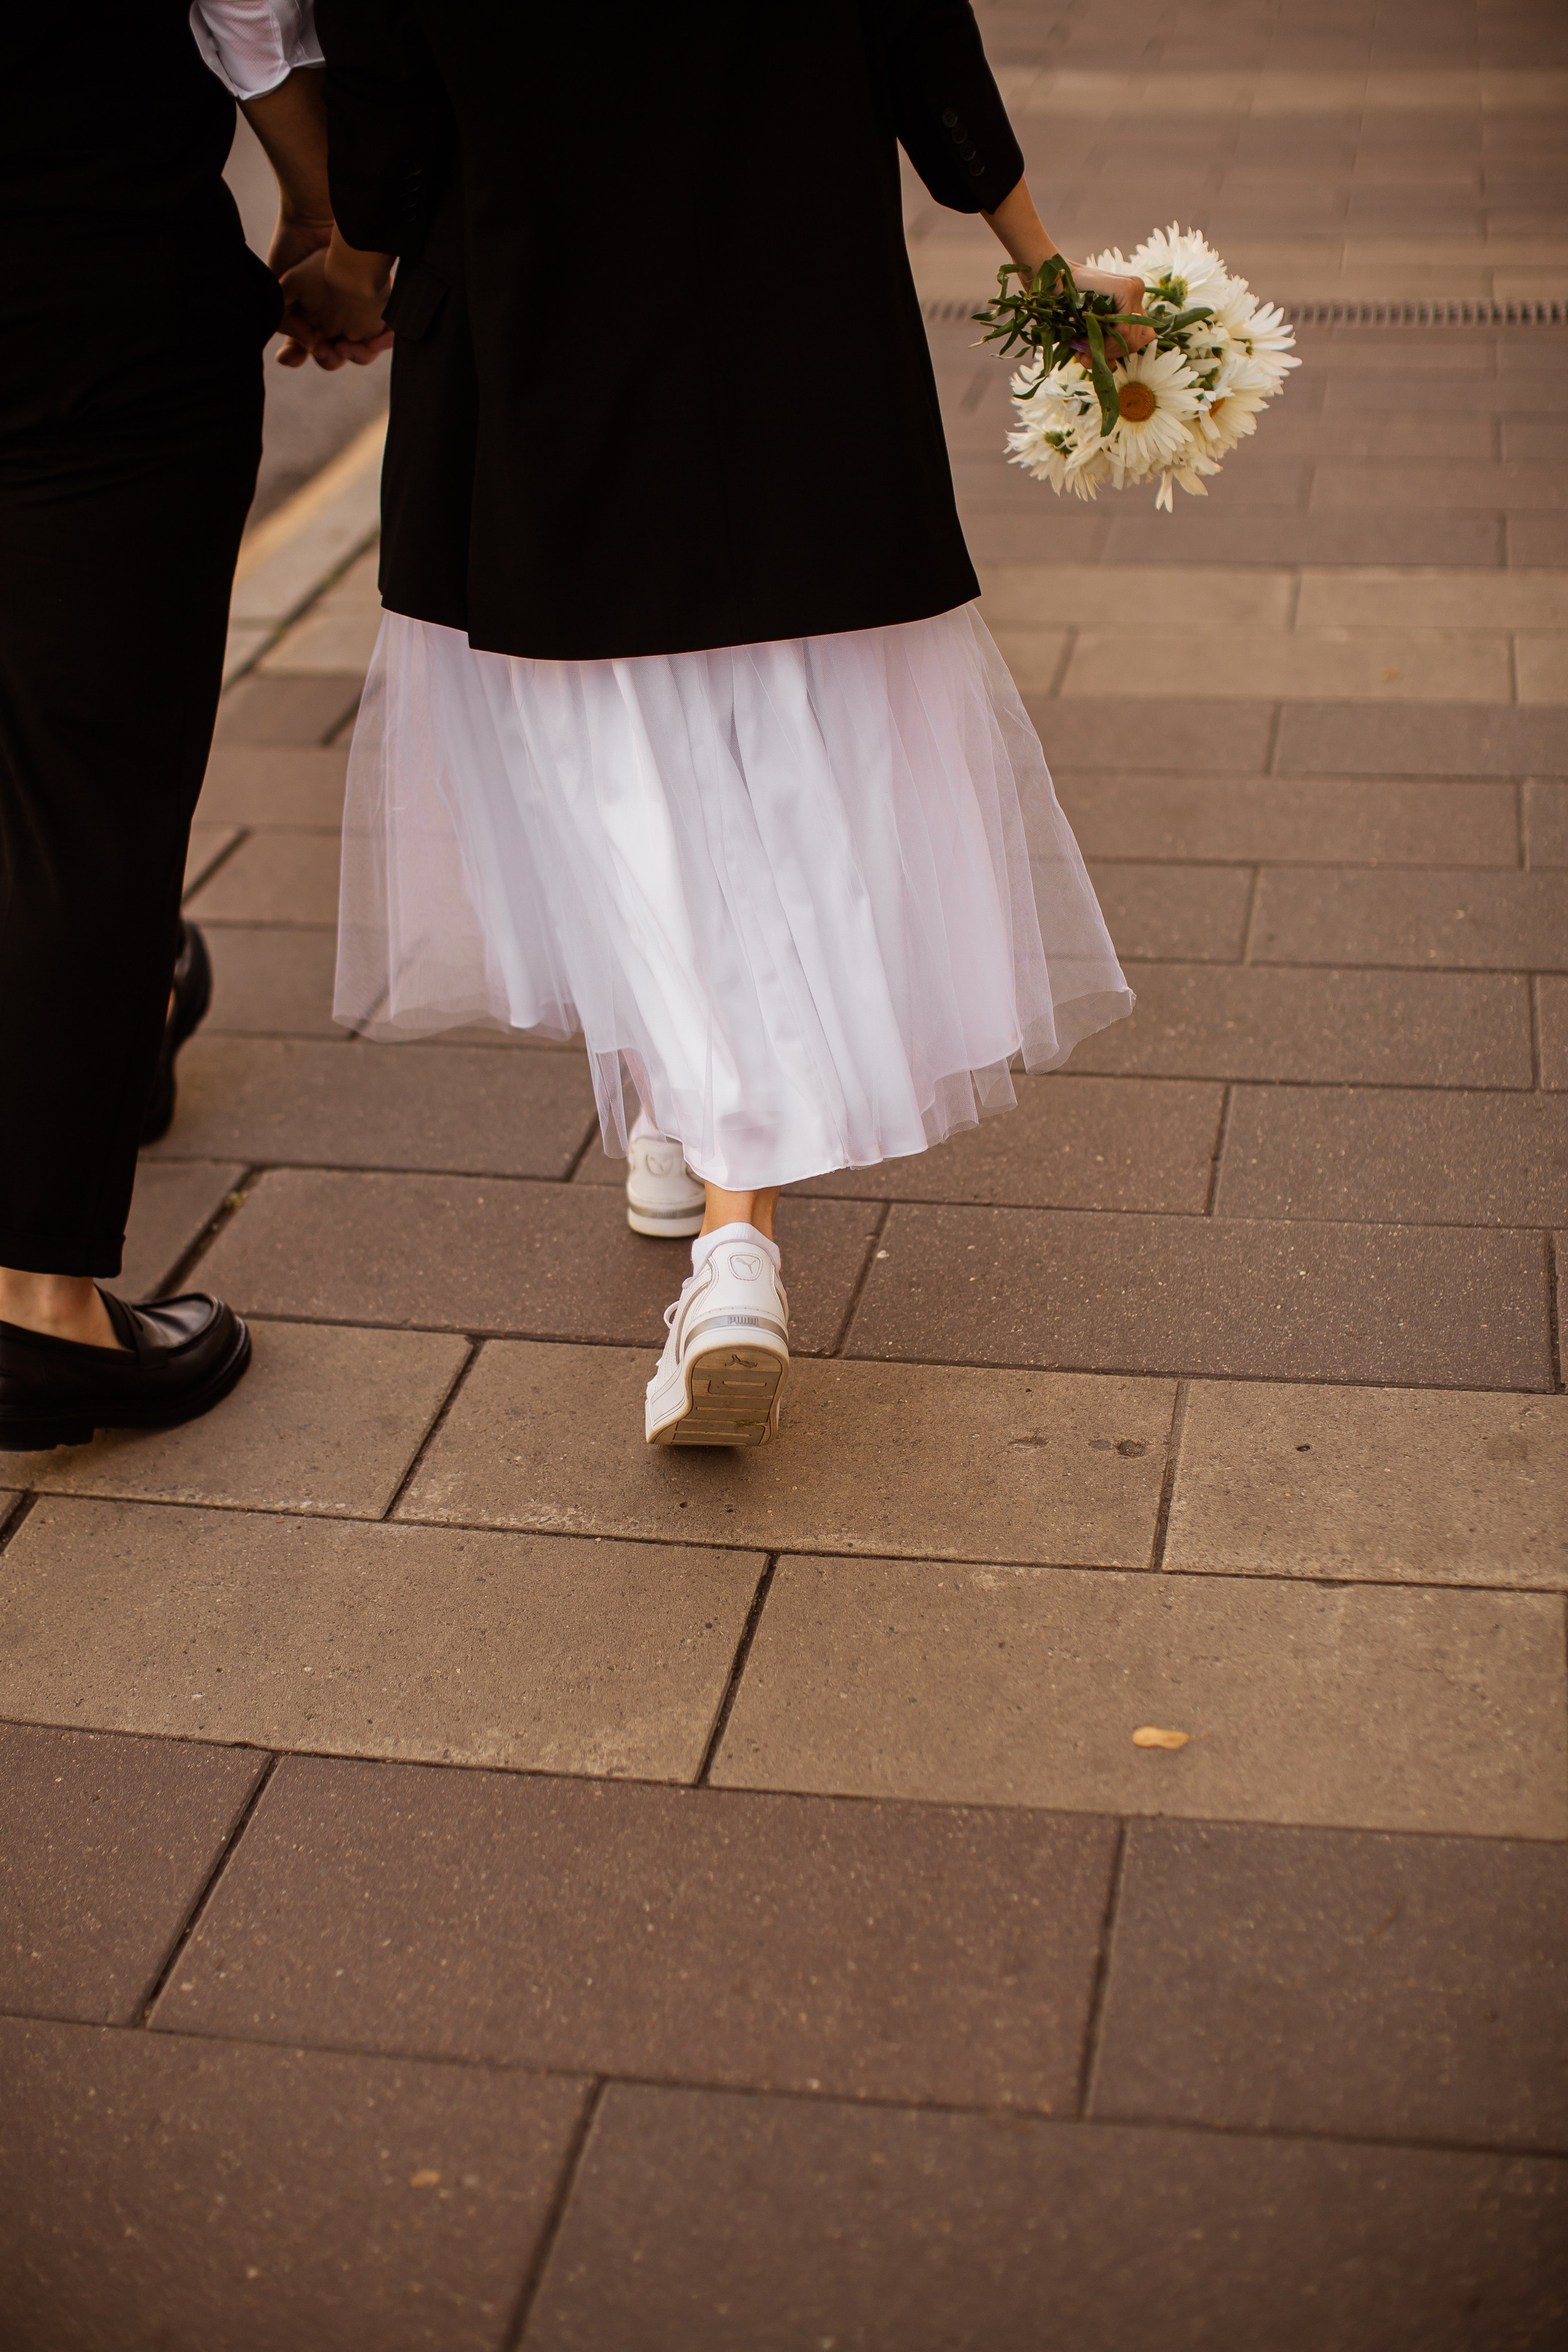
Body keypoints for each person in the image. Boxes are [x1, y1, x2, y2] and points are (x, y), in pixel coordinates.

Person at [292, 0, 1142, 1448]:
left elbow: (388, 120)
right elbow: (919, 46)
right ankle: (682, 1119)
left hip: (541, 353)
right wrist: (1049, 275)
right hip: (796, 361)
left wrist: (345, 267)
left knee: (614, 777)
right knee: (768, 765)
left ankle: (732, 1252)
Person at [0, 2, 378, 1450]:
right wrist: (337, 218)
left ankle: (131, 1003)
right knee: (87, 781)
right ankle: (37, 1309)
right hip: (81, 294)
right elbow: (251, 16)